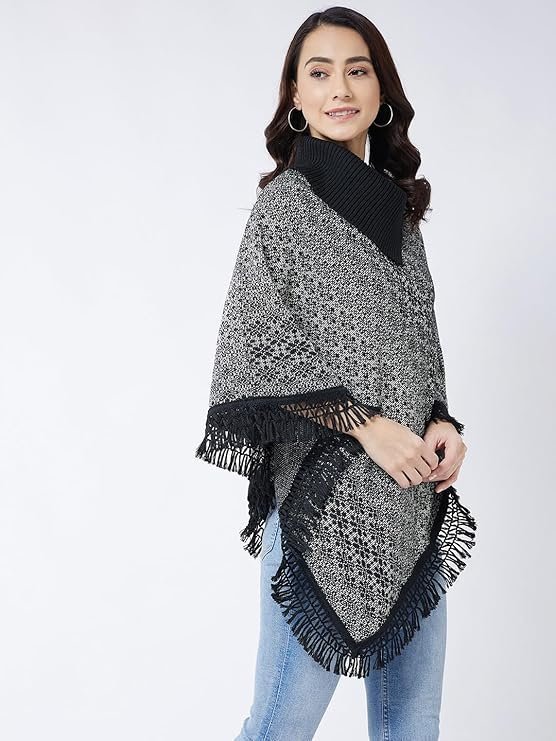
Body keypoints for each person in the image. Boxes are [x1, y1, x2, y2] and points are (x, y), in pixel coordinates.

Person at [195, 7, 476, 740]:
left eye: (357, 70)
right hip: (323, 505)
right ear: (296, 93)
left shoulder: (399, 213)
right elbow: (252, 352)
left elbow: (417, 343)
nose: (340, 89)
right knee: (281, 724)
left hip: (411, 503)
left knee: (413, 723)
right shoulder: (285, 205)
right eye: (319, 73)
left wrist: (441, 422)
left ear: (382, 90)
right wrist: (368, 427)